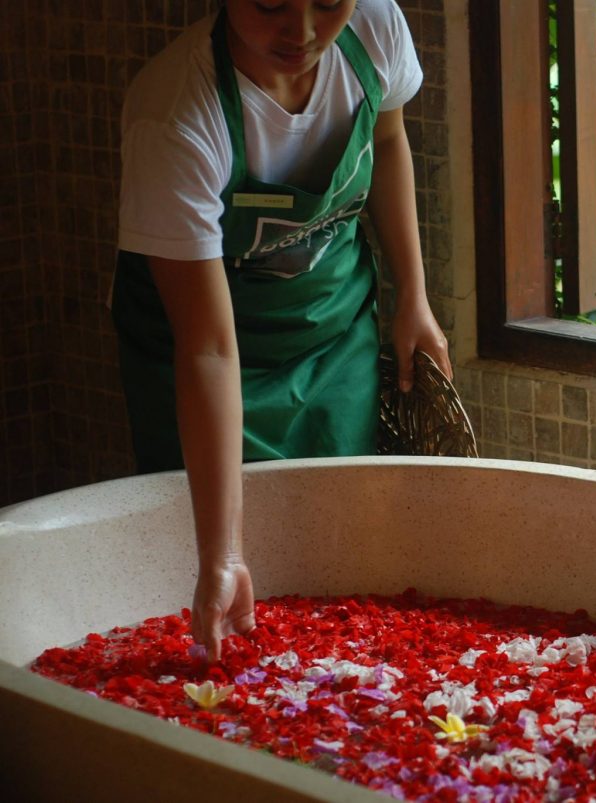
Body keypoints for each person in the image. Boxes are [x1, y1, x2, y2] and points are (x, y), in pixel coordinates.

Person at [110, 0, 451, 661]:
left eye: (327, 1)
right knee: (225, 560)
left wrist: (414, 295)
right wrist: (223, 553)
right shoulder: (175, 115)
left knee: (340, 558)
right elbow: (207, 348)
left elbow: (384, 138)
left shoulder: (374, 26)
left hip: (332, 334)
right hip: (205, 356)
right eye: (270, 3)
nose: (300, 32)